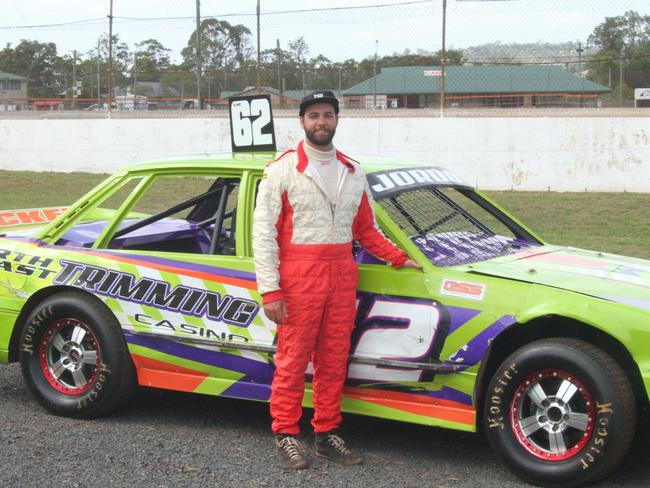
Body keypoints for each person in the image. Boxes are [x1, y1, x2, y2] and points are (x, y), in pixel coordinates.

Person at [253, 90, 421, 470]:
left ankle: (326, 433)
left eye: (327, 115)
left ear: (337, 119)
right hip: (298, 276)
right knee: (293, 359)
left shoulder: (353, 170)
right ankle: (285, 435)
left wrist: (399, 257)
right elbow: (261, 234)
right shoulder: (281, 169)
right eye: (313, 115)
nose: (321, 122)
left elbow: (366, 230)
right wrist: (270, 289)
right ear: (301, 121)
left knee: (333, 360)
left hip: (342, 273)